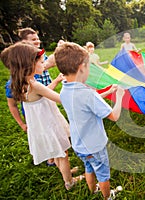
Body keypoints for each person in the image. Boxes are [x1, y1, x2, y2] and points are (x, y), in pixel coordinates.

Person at [5, 42, 84, 190]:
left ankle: (65, 172)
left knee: (58, 152)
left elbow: (43, 93)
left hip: (39, 125)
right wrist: (74, 87)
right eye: (42, 62)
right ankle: (69, 181)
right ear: (30, 65)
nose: (45, 64)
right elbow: (62, 99)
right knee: (62, 153)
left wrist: (56, 81)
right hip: (49, 124)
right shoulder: (35, 85)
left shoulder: (21, 84)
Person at [55, 42, 125, 199]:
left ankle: (93, 191)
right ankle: (107, 196)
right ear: (81, 67)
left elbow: (88, 104)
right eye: (89, 67)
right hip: (95, 146)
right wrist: (119, 97)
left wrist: (108, 91)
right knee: (103, 174)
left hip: (79, 144)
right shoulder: (88, 94)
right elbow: (114, 116)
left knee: (89, 167)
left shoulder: (65, 88)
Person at [4, 27, 58, 166]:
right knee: (45, 134)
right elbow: (12, 104)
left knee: (49, 133)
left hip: (45, 101)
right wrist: (21, 123)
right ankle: (52, 158)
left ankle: (54, 157)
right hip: (37, 110)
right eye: (33, 40)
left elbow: (45, 90)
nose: (38, 41)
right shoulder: (24, 83)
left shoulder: (34, 71)